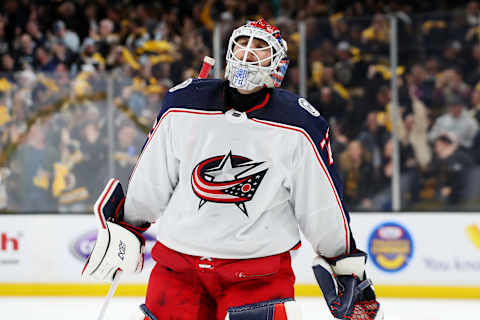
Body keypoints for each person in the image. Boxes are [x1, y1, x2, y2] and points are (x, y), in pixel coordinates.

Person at [82, 19, 382, 320]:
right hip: (179, 268)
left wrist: (343, 263)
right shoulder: (184, 105)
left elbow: (320, 204)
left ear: (278, 66)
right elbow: (152, 177)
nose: (247, 53)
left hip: (258, 275)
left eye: (260, 48)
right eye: (241, 44)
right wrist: (129, 224)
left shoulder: (298, 125)